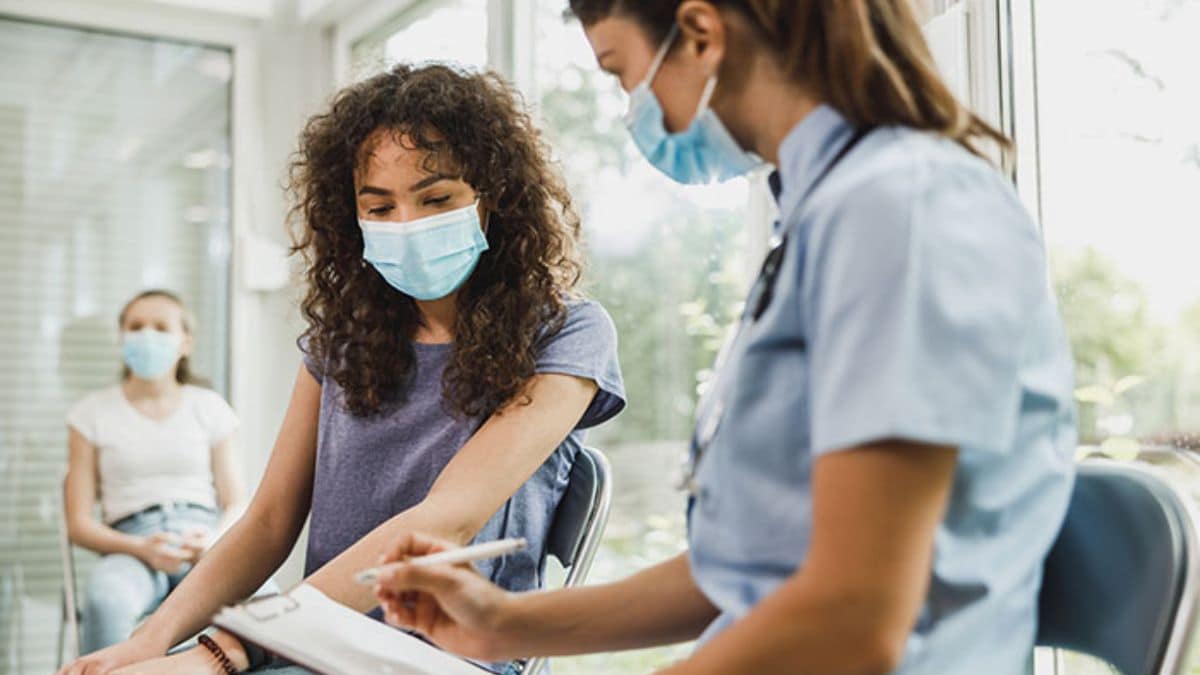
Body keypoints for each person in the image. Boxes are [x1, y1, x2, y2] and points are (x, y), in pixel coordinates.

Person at [371, 2, 1077, 674]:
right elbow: (746, 566)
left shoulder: (896, 212)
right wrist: (503, 622)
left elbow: (856, 616)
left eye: (623, 73)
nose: (633, 110)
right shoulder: (821, 217)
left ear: (702, 34)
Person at [59, 63, 625, 675]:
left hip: (449, 657)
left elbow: (445, 522)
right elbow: (270, 520)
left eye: (436, 199)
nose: (406, 225)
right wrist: (152, 638)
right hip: (314, 645)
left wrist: (224, 651)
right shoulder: (342, 338)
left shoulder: (567, 333)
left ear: (493, 199)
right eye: (379, 207)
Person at [65, 289, 247, 654]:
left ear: (186, 342)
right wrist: (141, 548)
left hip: (204, 539)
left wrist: (213, 541)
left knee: (263, 601)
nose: (147, 336)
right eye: (136, 326)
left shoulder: (209, 407)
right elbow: (79, 524)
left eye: (161, 327)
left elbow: (237, 502)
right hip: (129, 545)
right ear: (121, 338)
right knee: (106, 602)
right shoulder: (90, 414)